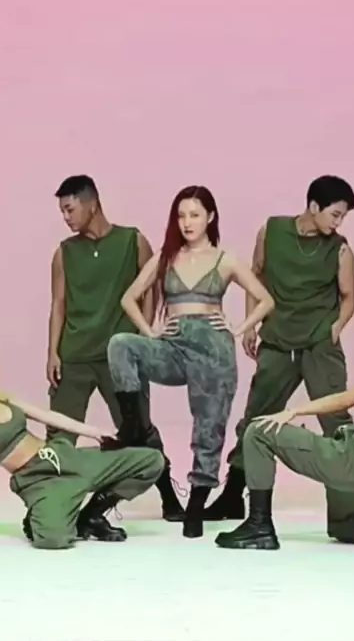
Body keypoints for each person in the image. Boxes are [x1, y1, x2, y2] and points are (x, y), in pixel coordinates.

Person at [203, 174, 354, 543]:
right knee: (256, 418)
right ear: (313, 207)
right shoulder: (271, 232)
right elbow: (256, 276)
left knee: (336, 423)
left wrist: (336, 327)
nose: (338, 222)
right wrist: (250, 325)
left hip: (318, 346)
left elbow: (349, 297)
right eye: (335, 214)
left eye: (343, 216)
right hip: (278, 342)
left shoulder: (340, 250)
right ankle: (234, 495)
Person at [106, 185, 274, 539]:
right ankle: (133, 428)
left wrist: (238, 328)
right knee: (121, 344)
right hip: (173, 347)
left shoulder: (225, 259)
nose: (187, 222)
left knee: (208, 428)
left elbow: (265, 300)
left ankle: (196, 506)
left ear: (210, 217)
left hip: (213, 351)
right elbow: (128, 298)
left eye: (194, 215)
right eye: (181, 215)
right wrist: (150, 332)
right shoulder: (166, 257)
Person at [44, 175, 184, 529]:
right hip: (74, 355)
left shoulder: (132, 241)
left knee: (139, 430)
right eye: (62, 211)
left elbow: (150, 290)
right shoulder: (64, 252)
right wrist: (52, 353)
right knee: (57, 438)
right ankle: (50, 506)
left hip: (118, 357)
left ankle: (168, 496)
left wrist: (142, 339)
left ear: (92, 204)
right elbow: (58, 303)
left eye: (70, 209)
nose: (65, 217)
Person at [215, 337, 354, 552]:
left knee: (258, 432)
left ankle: (259, 525)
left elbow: (344, 400)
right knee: (342, 529)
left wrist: (293, 411)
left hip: (353, 458)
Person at [0, 346, 164, 549]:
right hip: (37, 480)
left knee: (152, 461)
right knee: (53, 539)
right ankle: (47, 512)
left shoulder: (3, 399)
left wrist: (95, 432)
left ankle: (91, 515)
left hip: (61, 457)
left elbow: (48, 416)